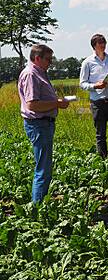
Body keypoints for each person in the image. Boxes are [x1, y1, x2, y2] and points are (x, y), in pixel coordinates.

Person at [18, 44, 70, 203]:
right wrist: (57, 104)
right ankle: (38, 209)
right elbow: (32, 104)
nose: (51, 62)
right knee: (43, 169)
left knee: (45, 167)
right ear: (37, 58)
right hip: (39, 125)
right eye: (48, 59)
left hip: (44, 124)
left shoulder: (39, 72)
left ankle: (40, 204)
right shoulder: (31, 75)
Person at [80, 34, 108, 158]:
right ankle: (103, 161)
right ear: (94, 46)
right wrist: (95, 86)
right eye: (100, 43)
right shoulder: (87, 63)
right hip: (98, 103)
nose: (103, 45)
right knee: (101, 135)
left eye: (104, 42)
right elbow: (82, 84)